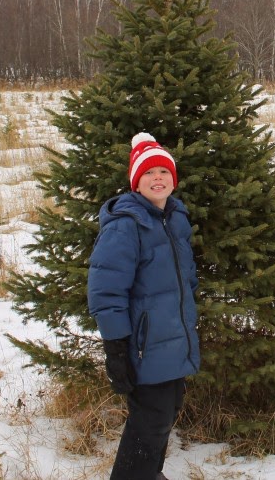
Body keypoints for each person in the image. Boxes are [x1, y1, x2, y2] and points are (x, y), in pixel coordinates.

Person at [87, 133, 200, 480]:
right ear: (137, 182)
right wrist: (116, 346)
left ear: (173, 179)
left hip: (174, 339)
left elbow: (186, 280)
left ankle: (150, 472)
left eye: (163, 172)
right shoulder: (126, 224)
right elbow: (106, 289)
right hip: (142, 345)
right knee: (149, 421)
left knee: (166, 412)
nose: (157, 179)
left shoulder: (175, 219)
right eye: (148, 173)